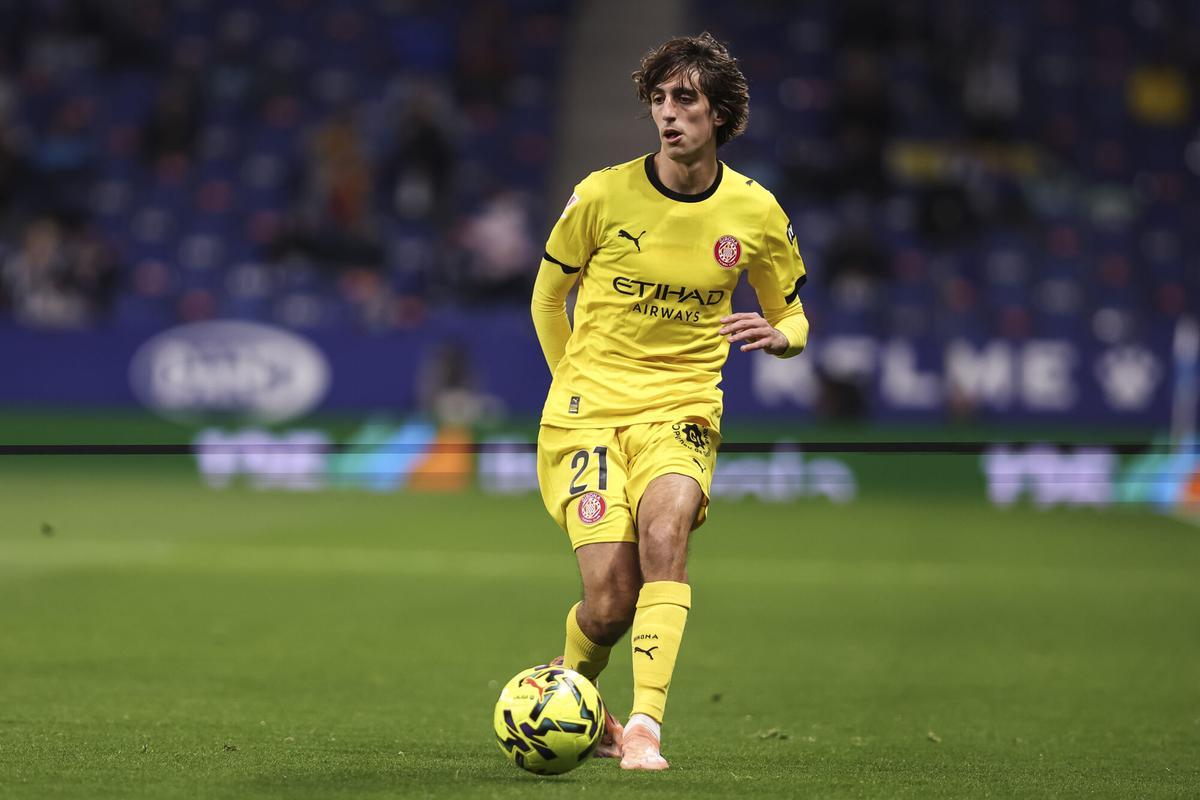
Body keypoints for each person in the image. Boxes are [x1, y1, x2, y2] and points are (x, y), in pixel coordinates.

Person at [530, 32, 810, 771]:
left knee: (666, 536)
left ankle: (645, 727)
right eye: (658, 99)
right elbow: (548, 298)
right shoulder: (601, 195)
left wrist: (783, 338)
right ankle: (572, 691)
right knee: (609, 603)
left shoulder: (754, 211)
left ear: (718, 114)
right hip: (587, 415)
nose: (667, 112)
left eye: (684, 98)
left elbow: (792, 315)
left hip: (682, 409)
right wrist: (570, 384)